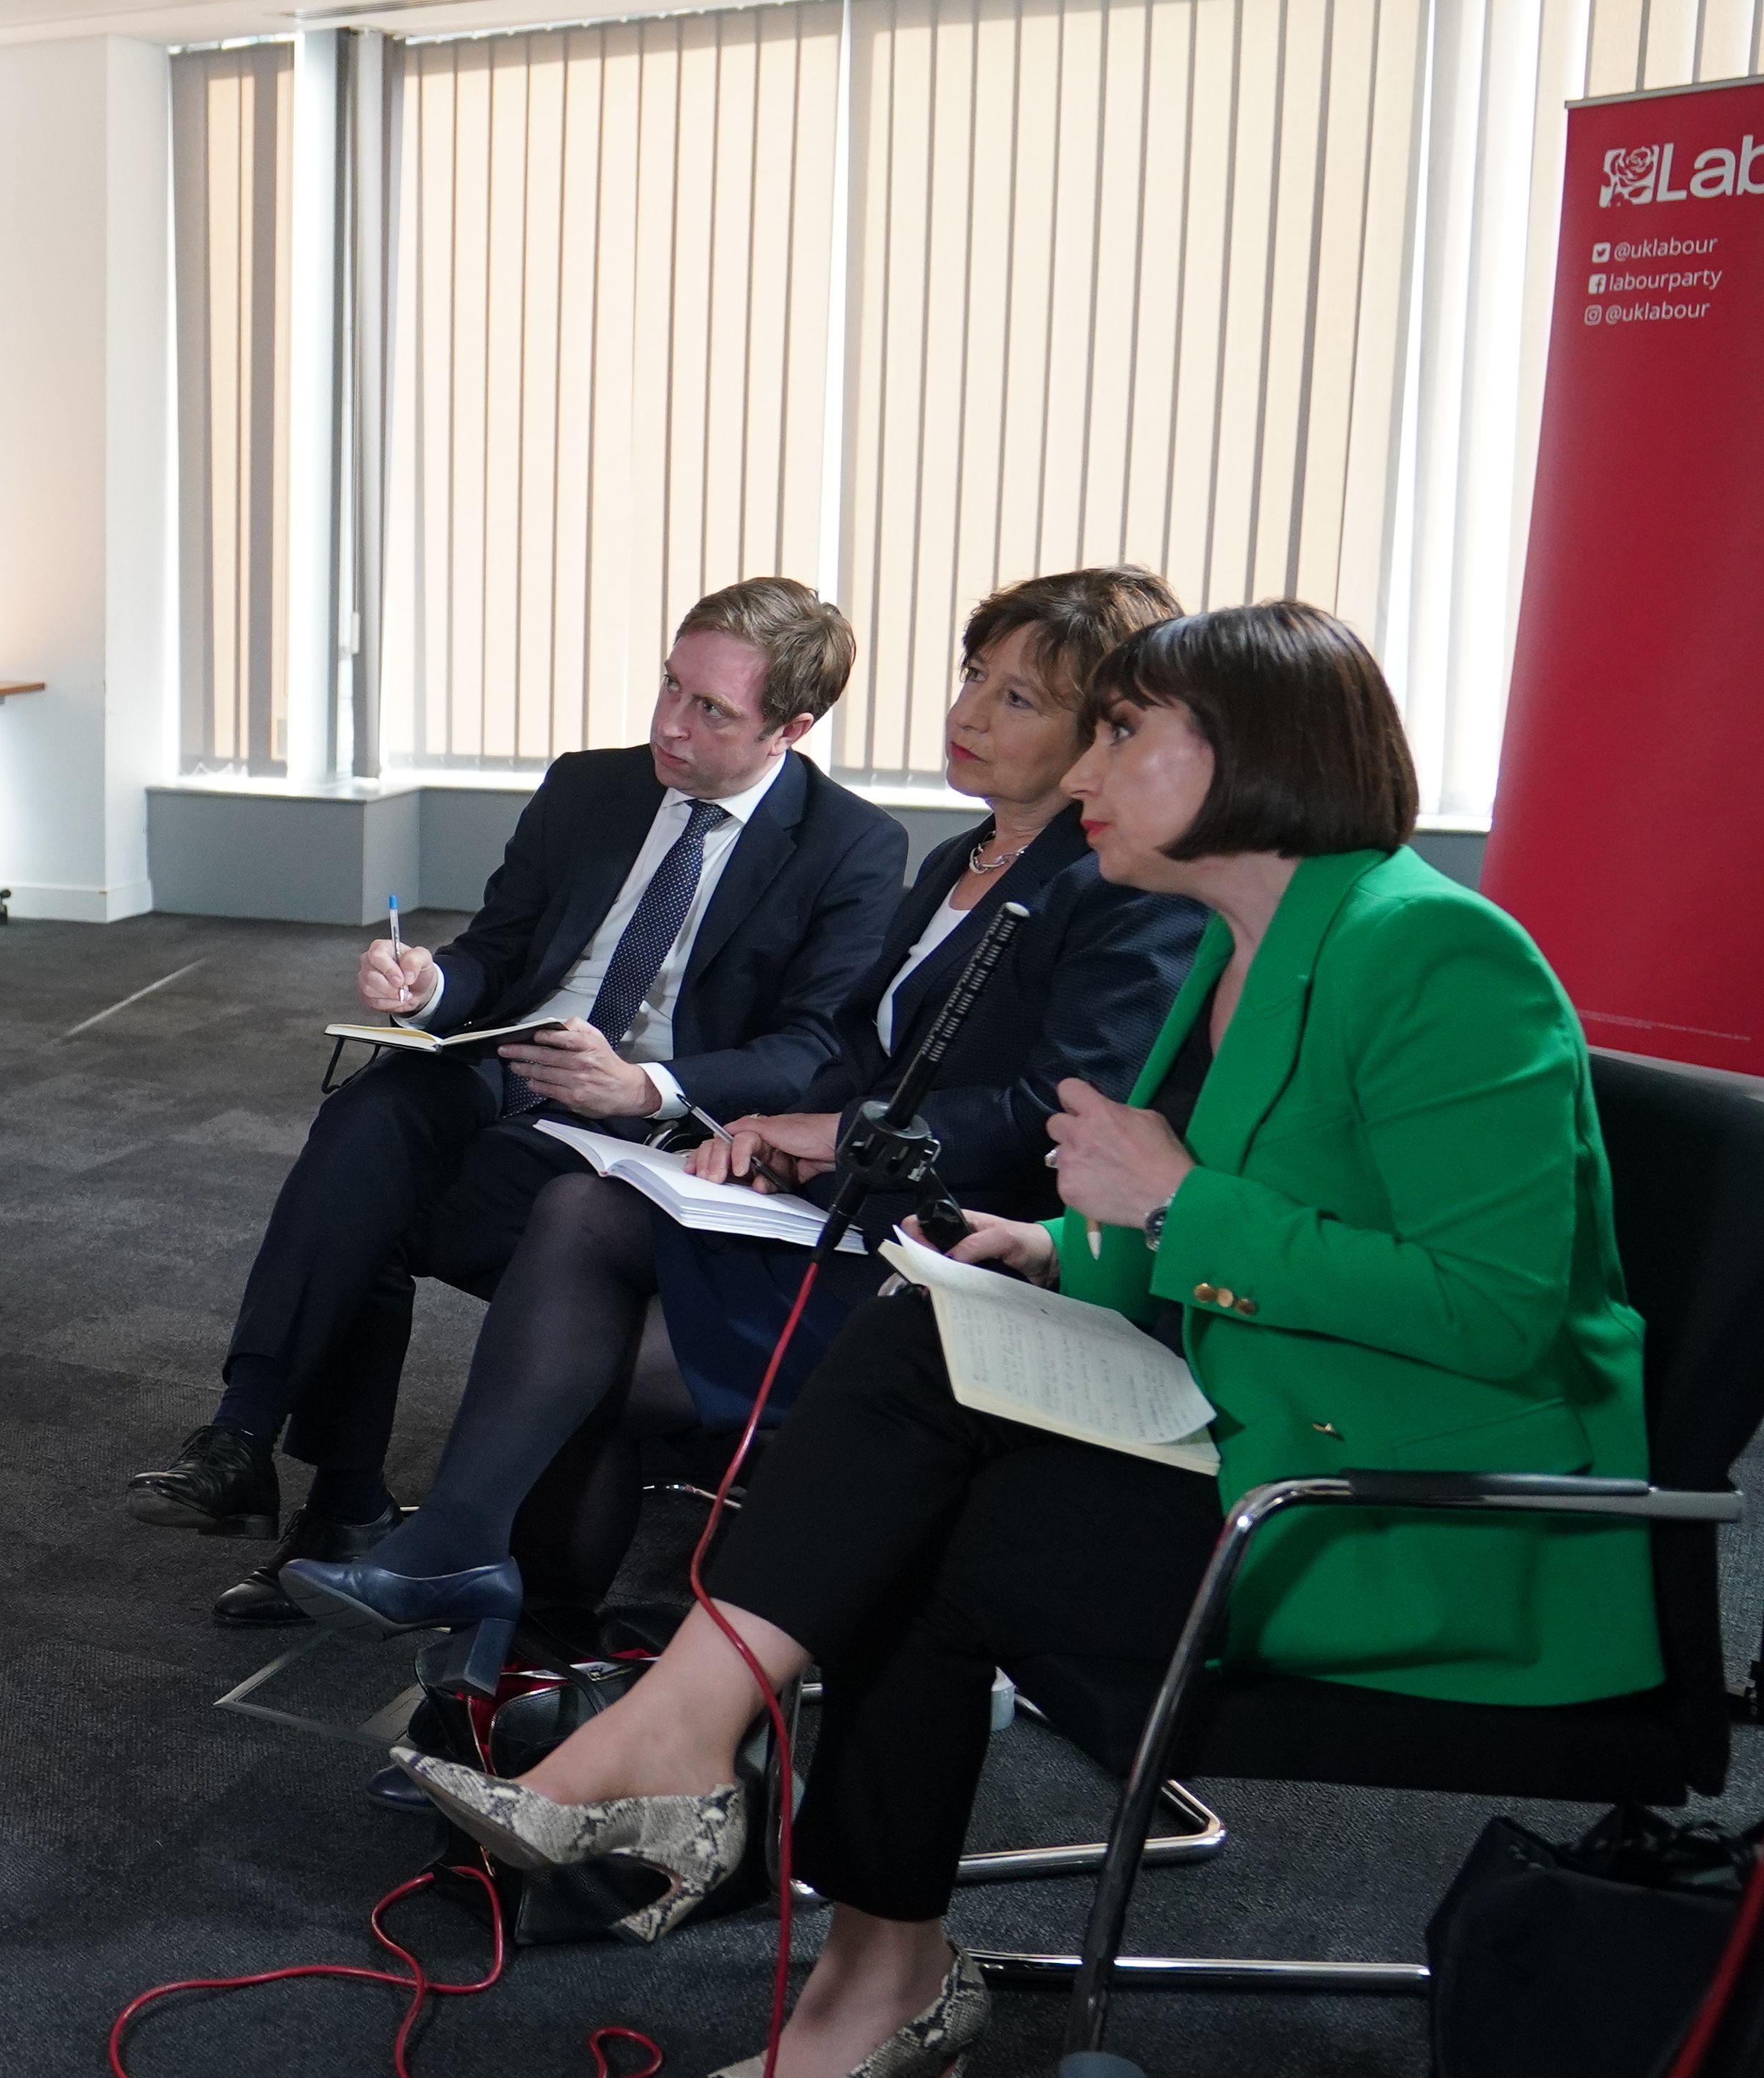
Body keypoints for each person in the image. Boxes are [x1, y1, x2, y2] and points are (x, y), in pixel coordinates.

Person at [395, 601, 1660, 2078]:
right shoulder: (1256, 945)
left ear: (1242, 759)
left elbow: (1494, 1309)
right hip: (1261, 1418)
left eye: (1122, 733)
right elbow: (1278, 1211)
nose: (1085, 770)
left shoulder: (1444, 956)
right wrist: (1066, 1246)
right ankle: (777, 1856)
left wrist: (1174, 1205)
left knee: (924, 1533)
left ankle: (842, 1930)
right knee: (921, 1337)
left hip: (1412, 1514)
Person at [278, 570, 1205, 1666]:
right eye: (972, 677)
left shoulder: (1115, 886)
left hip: (963, 1245)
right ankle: (472, 1572)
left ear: (1105, 734)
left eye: (1017, 700)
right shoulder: (964, 856)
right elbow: (863, 1051)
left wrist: (831, 1137)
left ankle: (510, 1656)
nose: (965, 715)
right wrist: (771, 1130)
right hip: (854, 1201)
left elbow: (1048, 1112)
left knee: (597, 1349)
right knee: (583, 1206)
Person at [129, 579, 911, 1626]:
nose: (669, 724)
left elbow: (816, 1048)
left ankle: (344, 1510)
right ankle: (240, 1428)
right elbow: (499, 952)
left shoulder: (850, 844)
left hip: (658, 1122)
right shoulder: (592, 786)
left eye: (711, 710)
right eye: (670, 686)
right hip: (514, 1062)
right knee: (373, 1116)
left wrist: (650, 1085)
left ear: (793, 728)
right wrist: (430, 986)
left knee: (376, 1217)